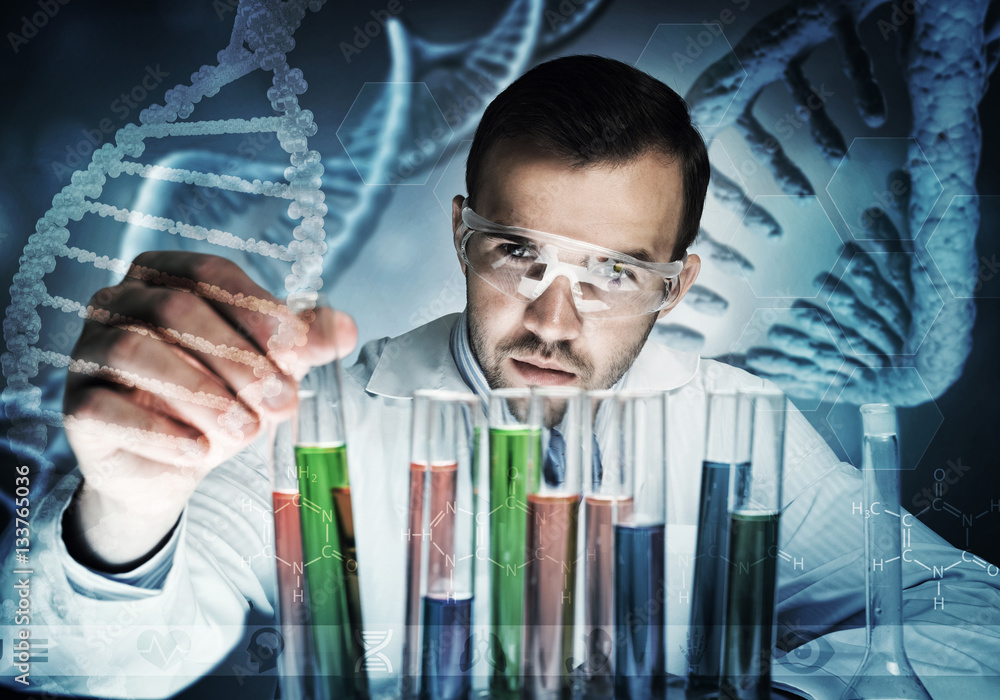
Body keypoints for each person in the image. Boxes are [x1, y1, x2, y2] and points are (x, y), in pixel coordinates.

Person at [2, 55, 999, 699]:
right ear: (461, 234)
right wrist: (126, 505)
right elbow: (69, 660)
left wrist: (783, 687)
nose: (552, 321)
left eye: (613, 273)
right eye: (518, 253)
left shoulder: (739, 428)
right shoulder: (314, 418)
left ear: (678, 281)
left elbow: (971, 618)